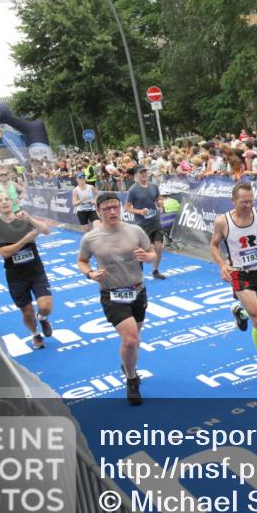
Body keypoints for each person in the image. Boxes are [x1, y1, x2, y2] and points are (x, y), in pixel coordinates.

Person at [77, 193, 157, 405]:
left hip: (137, 290)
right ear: (98, 211)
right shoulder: (90, 238)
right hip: (111, 293)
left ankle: (128, 364)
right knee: (131, 339)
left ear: (120, 207)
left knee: (134, 340)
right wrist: (90, 273)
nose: (112, 212)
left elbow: (152, 254)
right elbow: (82, 261)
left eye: (115, 207)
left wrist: (147, 257)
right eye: (106, 209)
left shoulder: (135, 230)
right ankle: (132, 379)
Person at [209, 181, 257, 385]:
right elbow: (214, 245)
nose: (248, 206)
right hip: (239, 273)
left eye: (251, 201)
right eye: (243, 202)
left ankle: (240, 312)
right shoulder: (223, 222)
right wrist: (222, 264)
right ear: (233, 201)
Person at [0, 191, 54, 351]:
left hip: (36, 271)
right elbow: (4, 253)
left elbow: (46, 230)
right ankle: (35, 334)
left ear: (12, 202)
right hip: (16, 276)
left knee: (45, 305)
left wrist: (30, 219)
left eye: (6, 199)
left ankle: (43, 318)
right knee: (27, 311)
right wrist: (25, 240)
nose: (4, 202)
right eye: (0, 201)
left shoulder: (23, 219)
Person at [125, 166, 167, 280]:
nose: (144, 174)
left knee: (158, 247)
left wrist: (160, 203)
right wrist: (140, 211)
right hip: (142, 225)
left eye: (145, 172)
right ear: (136, 175)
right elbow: (127, 208)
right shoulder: (133, 190)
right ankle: (138, 273)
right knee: (141, 251)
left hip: (155, 222)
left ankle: (155, 270)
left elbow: (158, 199)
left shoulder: (153, 186)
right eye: (141, 172)